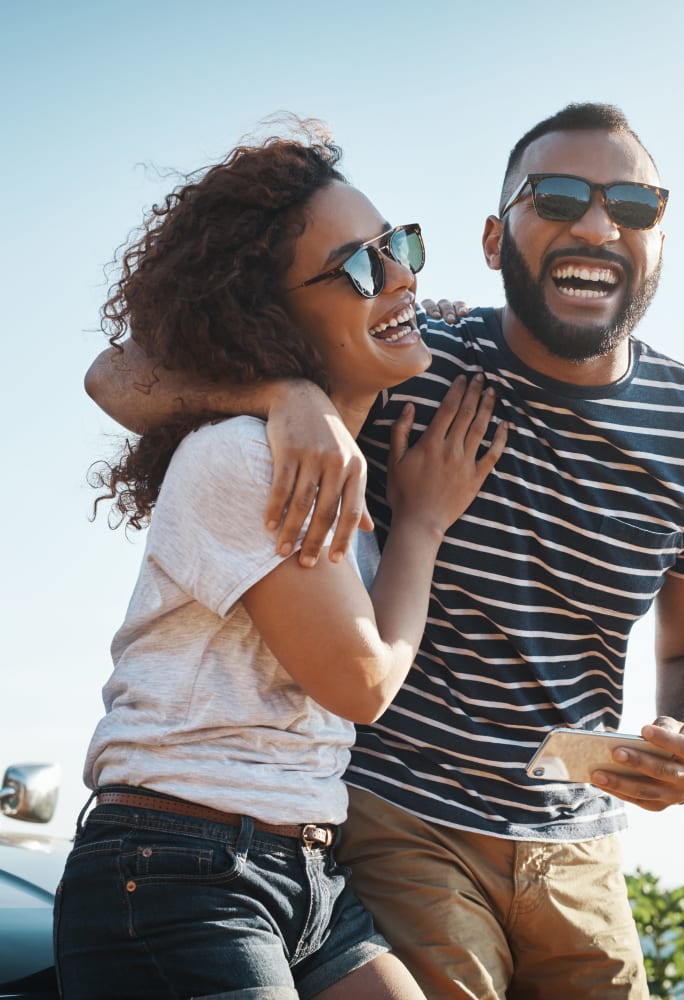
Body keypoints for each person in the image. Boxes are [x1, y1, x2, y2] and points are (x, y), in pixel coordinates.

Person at [85, 103, 684, 1000]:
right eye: (556, 196)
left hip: (578, 843)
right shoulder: (406, 353)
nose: (596, 225)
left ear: (662, 239)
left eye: (633, 207)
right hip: (397, 818)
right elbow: (120, 374)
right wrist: (285, 393)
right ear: (495, 238)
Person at [55, 118, 507, 1000]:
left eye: (400, 244)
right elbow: (361, 684)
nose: (404, 273)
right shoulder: (244, 457)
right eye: (363, 266)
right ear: (273, 313)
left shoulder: (327, 455)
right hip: (180, 869)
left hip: (300, 872)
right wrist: (419, 524)